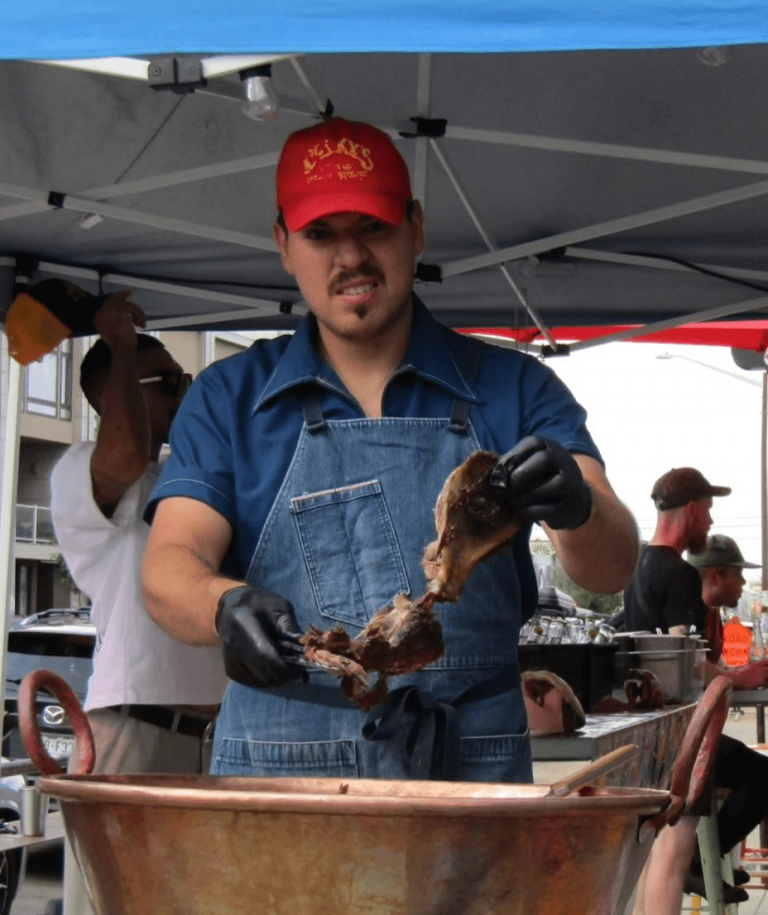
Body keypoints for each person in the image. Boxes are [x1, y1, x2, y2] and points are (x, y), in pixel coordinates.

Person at [140, 116, 639, 784]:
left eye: (372, 226)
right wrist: (221, 605)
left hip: (469, 770)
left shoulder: (516, 388)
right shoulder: (230, 397)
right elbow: (167, 565)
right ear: (284, 245)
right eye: (321, 234)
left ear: (416, 228)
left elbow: (612, 567)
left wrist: (579, 508)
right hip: (281, 776)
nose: (350, 257)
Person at [51, 291, 228, 915]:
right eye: (169, 383)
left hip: (215, 736)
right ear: (110, 397)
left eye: (185, 381)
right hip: (135, 728)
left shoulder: (186, 482)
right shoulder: (79, 469)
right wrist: (122, 347)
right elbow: (125, 453)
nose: (184, 394)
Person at [626, 472, 761, 913]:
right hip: (681, 736)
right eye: (709, 510)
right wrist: (741, 678)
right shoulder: (681, 574)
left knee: (649, 856)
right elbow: (685, 664)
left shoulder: (635, 570)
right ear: (693, 510)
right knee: (674, 857)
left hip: (642, 732)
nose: (711, 521)